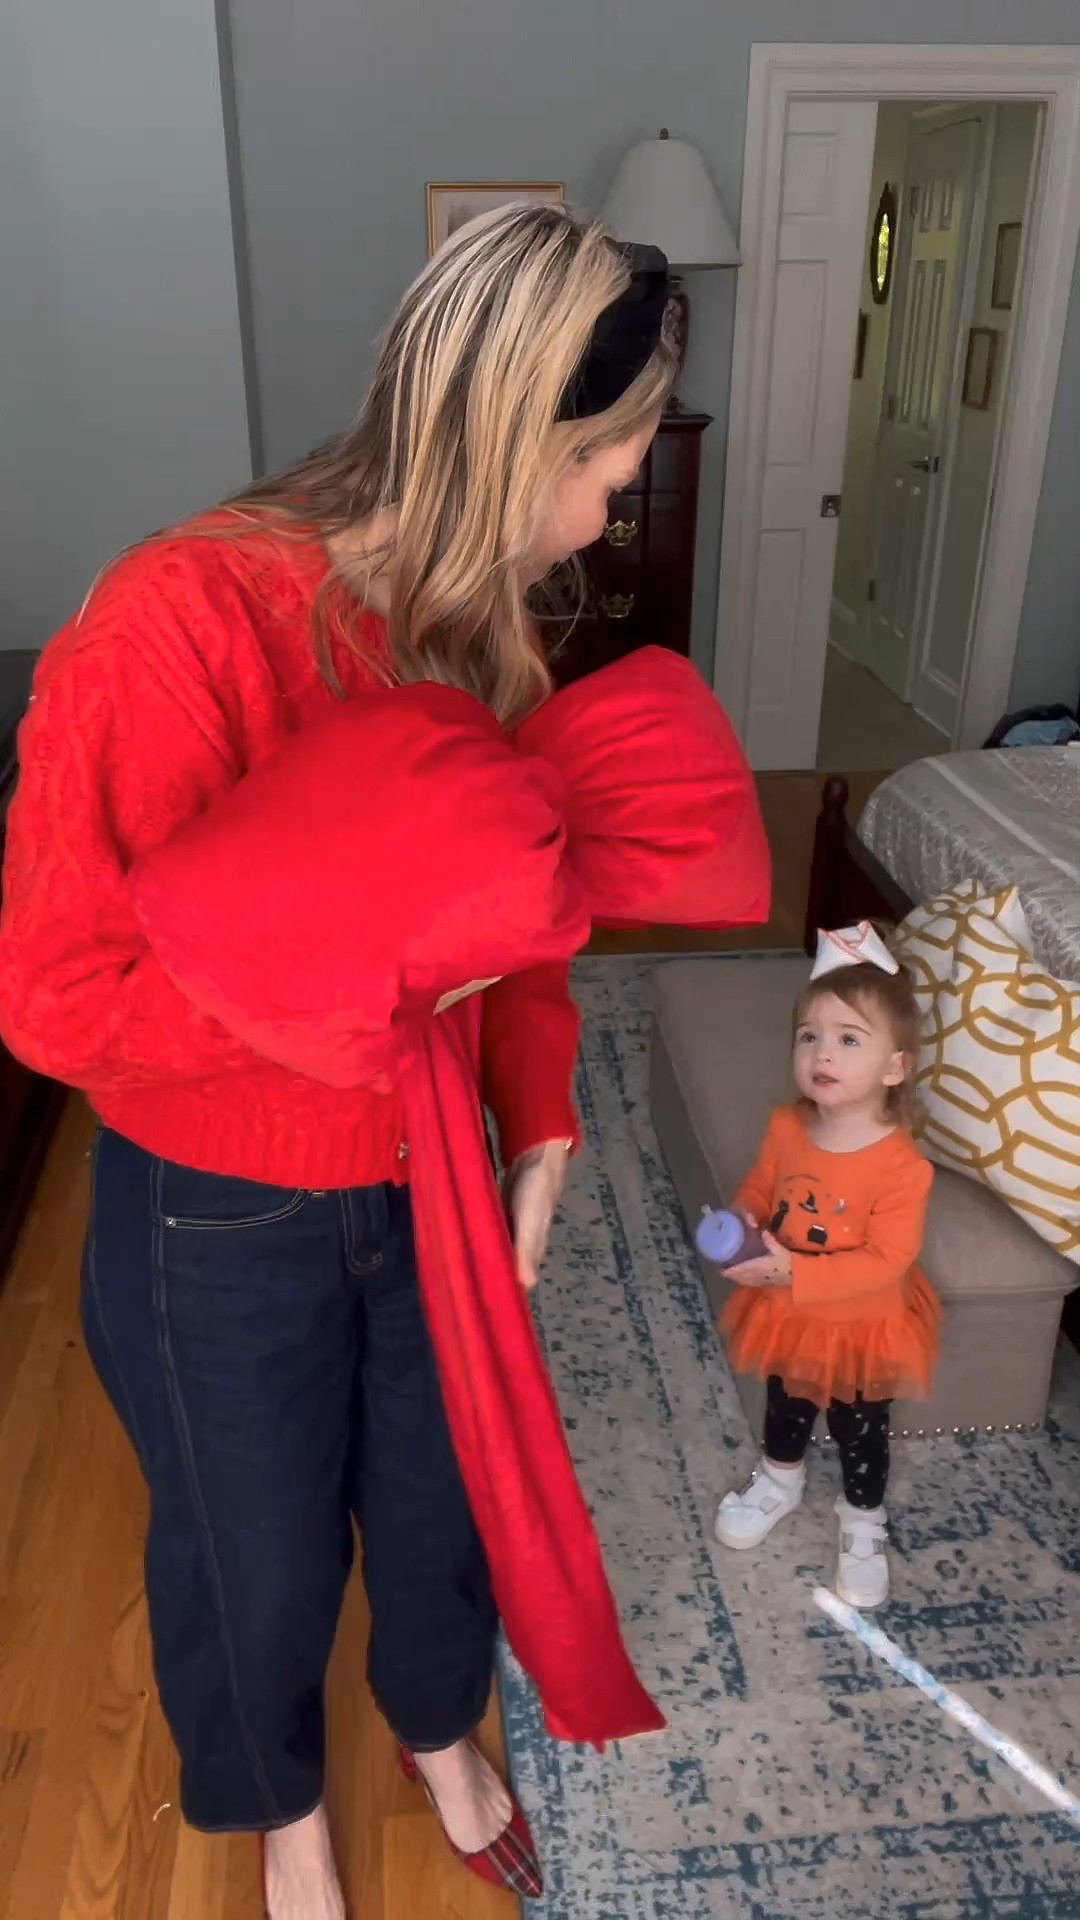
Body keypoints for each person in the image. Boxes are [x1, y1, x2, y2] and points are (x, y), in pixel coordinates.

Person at [0, 207, 684, 1919]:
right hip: (221, 1223)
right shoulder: (174, 623)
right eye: (609, 459)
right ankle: (282, 1807)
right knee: (260, 1558)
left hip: (433, 1179)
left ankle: (440, 1725)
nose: (613, 505)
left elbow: (523, 920)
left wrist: (535, 1123)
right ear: (516, 433)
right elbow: (58, 995)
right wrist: (333, 1003)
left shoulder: (478, 627)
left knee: (439, 1497)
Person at [711, 924, 940, 1609]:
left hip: (862, 1323)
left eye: (848, 1038)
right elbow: (761, 1186)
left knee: (859, 1427)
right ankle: (779, 1479)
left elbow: (887, 1260)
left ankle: (862, 1519)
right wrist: (744, 1226)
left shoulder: (902, 1165)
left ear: (894, 1068)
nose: (821, 1052)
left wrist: (794, 1274)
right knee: (787, 1404)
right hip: (789, 1310)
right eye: (808, 1035)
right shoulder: (788, 1126)